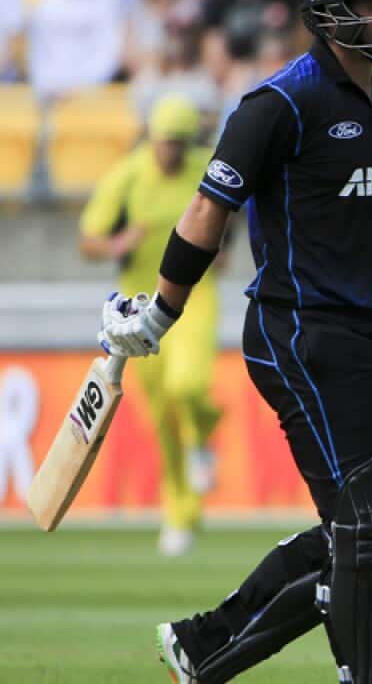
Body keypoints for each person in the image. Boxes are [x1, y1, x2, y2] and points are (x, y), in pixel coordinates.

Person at [96, 0, 372, 682]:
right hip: (295, 330)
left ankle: (203, 644)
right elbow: (207, 211)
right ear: (332, 11)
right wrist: (161, 311)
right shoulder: (279, 103)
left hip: (363, 334)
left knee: (369, 529)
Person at [79, 94, 222, 557]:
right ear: (152, 139)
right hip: (140, 308)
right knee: (161, 417)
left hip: (194, 297)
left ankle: (203, 432)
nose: (174, 153)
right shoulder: (128, 175)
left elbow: (236, 210)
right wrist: (120, 242)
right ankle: (179, 514)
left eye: (181, 143)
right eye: (167, 143)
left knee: (187, 385)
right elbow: (90, 240)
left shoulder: (204, 165)